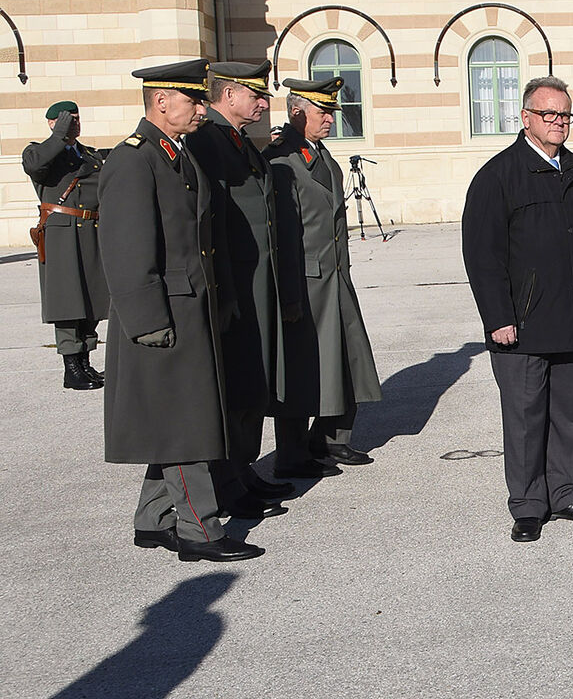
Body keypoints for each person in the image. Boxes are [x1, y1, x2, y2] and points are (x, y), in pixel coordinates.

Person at [101, 58, 263, 561]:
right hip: (161, 316)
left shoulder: (177, 154)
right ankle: (199, 530)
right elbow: (126, 250)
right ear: (161, 101)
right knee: (185, 425)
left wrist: (223, 297)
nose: (200, 108)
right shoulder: (133, 160)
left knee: (178, 417)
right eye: (192, 100)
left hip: (194, 309)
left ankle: (153, 519)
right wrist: (148, 322)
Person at [462, 76, 573, 542]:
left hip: (572, 316)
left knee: (564, 414)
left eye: (565, 114)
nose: (559, 122)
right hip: (522, 323)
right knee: (525, 418)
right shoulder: (498, 175)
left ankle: (563, 494)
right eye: (549, 114)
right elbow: (482, 254)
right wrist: (498, 318)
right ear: (526, 118)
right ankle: (528, 506)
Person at [185, 61, 291, 513]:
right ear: (228, 95)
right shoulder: (206, 139)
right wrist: (224, 290)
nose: (263, 103)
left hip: (255, 281)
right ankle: (226, 483)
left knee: (252, 382)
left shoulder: (237, 139)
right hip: (234, 282)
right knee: (235, 386)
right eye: (255, 95)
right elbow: (212, 223)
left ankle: (243, 472)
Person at [266, 78, 383, 477]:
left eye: (331, 112)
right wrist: (288, 294)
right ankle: (292, 455)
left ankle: (331, 438)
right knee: (302, 367)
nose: (330, 119)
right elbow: (282, 236)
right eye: (322, 112)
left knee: (346, 359)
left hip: (333, 278)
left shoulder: (320, 155)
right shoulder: (281, 160)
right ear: (296, 113)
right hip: (305, 281)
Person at [22, 100, 109, 390]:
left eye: (76, 118)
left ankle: (84, 362)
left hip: (91, 231)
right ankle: (71, 368)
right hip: (62, 236)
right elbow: (34, 166)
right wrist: (59, 135)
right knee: (67, 301)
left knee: (92, 297)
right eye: (67, 119)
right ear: (52, 123)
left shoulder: (89, 155)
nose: (75, 124)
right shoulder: (40, 153)